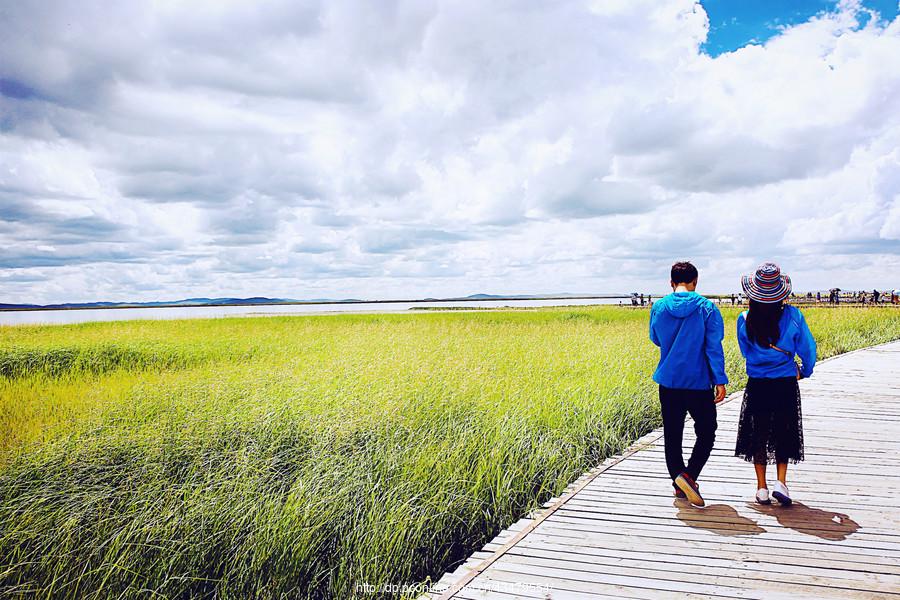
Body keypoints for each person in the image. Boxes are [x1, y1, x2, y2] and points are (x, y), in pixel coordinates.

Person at [735, 263, 816, 506]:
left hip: (758, 384)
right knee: (785, 430)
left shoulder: (745, 318)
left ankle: (761, 488)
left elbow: (745, 352)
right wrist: (804, 371)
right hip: (785, 383)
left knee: (757, 433)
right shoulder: (793, 316)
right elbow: (808, 349)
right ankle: (782, 483)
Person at [649, 261, 728, 507]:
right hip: (698, 382)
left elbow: (655, 338)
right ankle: (688, 476)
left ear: (671, 283)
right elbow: (713, 347)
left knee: (673, 434)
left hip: (669, 382)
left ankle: (679, 482)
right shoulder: (707, 308)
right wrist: (720, 380)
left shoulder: (659, 307)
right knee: (707, 431)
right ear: (695, 282)